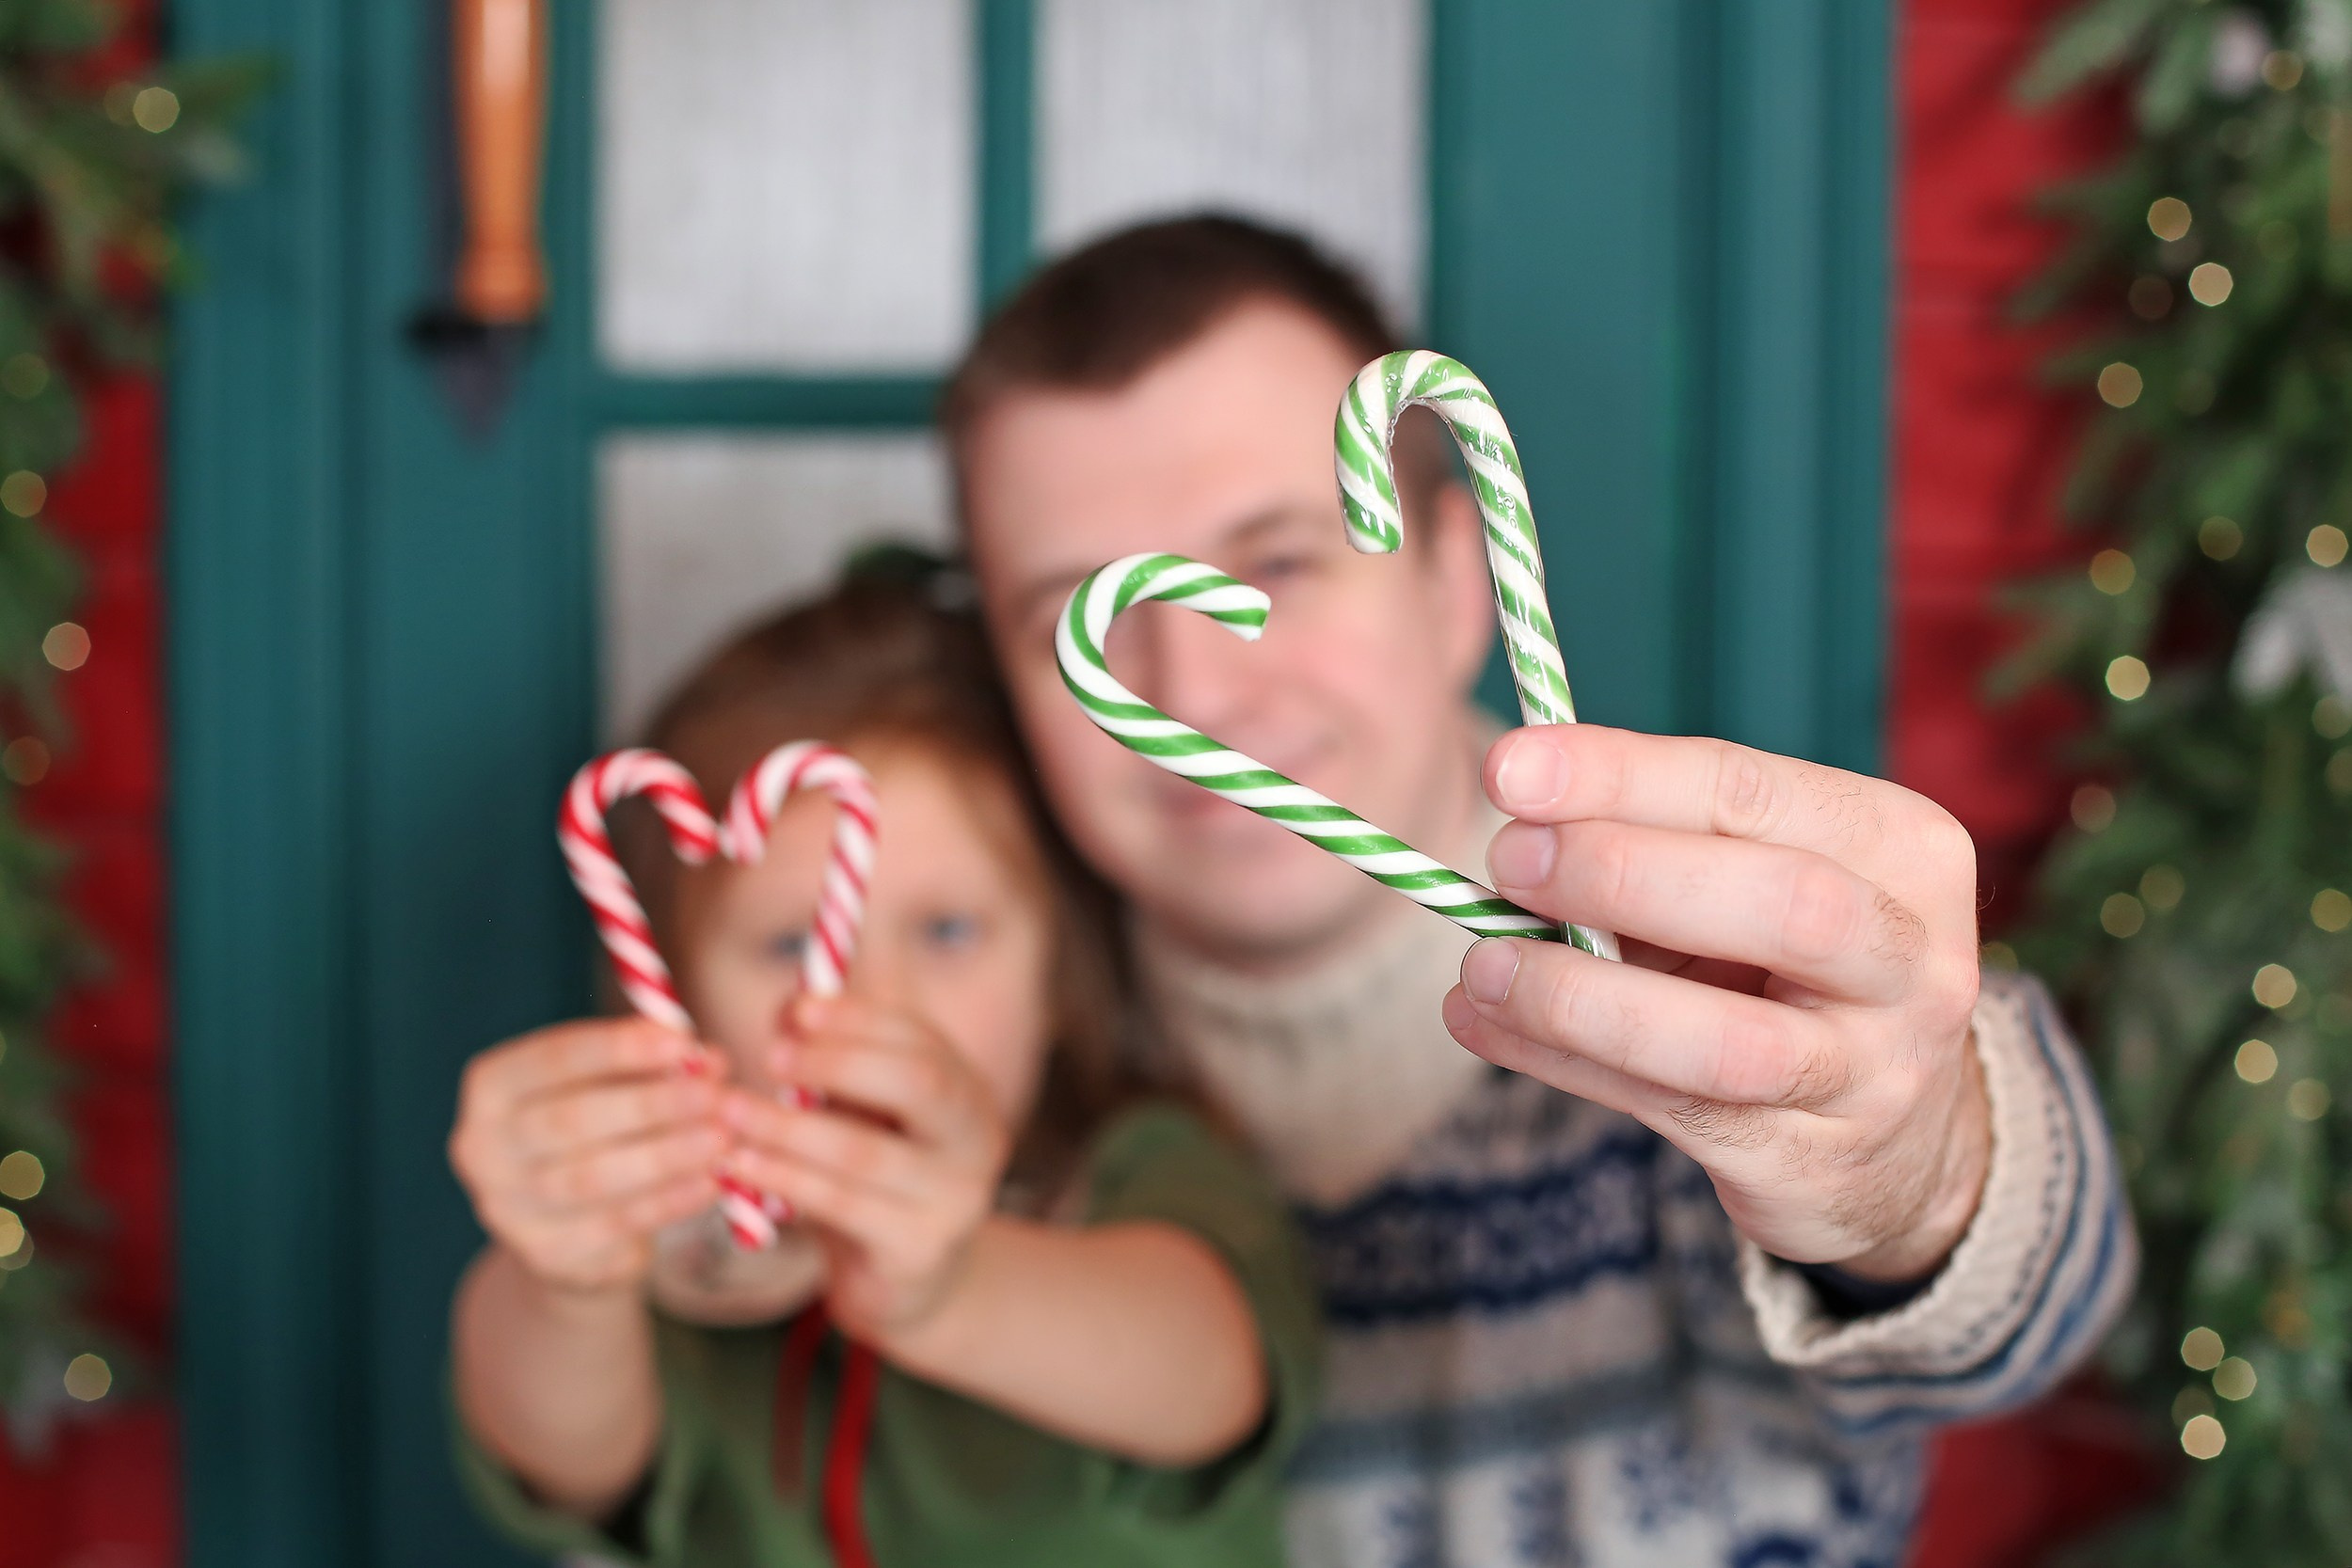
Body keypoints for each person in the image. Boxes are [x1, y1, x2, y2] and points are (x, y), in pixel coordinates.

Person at [939, 215, 2135, 1567]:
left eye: (1275, 563)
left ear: (1456, 578)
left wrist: (1914, 1170)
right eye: (1071, 621)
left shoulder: (1711, 981)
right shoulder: (971, 1102)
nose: (1197, 693)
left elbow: (2034, 1292)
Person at [445, 561, 1321, 1567]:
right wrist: (564, 1281)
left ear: (1059, 970)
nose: (870, 1003)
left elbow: (1206, 1371)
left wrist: (951, 1288)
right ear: (676, 989)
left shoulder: (1135, 1171)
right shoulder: (686, 1247)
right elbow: (560, 1457)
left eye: (948, 930)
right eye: (787, 944)